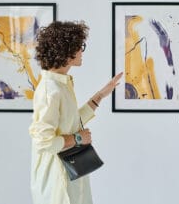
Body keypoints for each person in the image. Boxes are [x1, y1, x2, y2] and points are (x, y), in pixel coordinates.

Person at [29, 21, 123, 204]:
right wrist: (78, 139)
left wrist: (101, 95)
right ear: (67, 50)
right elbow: (43, 141)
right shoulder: (51, 90)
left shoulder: (61, 84)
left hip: (70, 176)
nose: (82, 51)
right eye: (80, 46)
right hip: (58, 184)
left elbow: (71, 122)